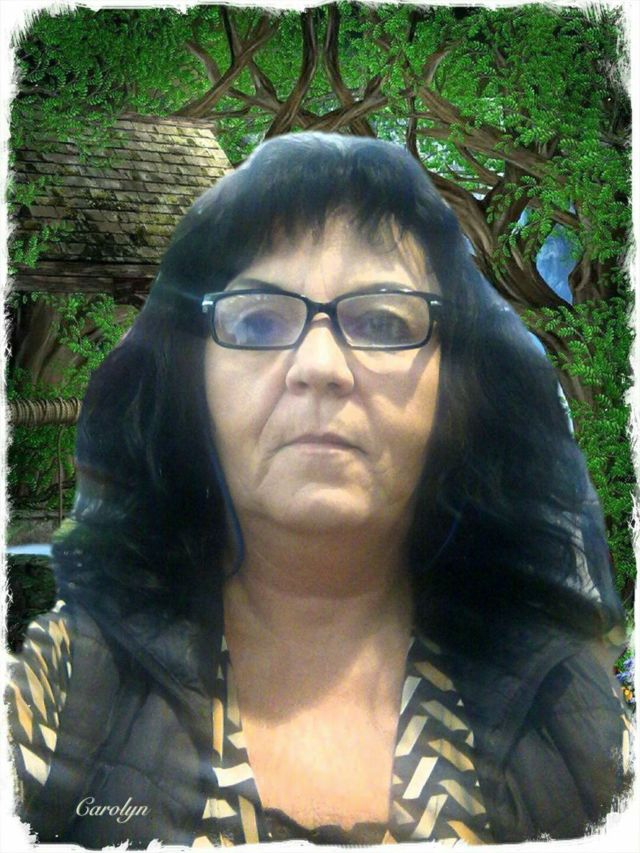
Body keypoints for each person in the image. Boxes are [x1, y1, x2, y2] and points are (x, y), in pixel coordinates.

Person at [7, 132, 632, 848]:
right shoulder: (63, 694)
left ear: (456, 390)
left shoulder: (569, 720)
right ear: (190, 380)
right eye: (257, 320)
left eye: (383, 321)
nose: (320, 366)